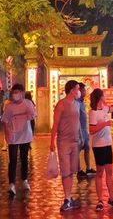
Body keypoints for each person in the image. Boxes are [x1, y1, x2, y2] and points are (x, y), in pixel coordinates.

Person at [88, 88, 113, 212]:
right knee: (100, 173)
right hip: (98, 145)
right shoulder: (93, 112)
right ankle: (100, 200)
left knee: (109, 172)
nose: (105, 97)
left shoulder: (105, 109)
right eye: (104, 95)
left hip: (107, 144)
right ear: (100, 97)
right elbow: (92, 130)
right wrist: (105, 124)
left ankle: (112, 198)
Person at [50, 80, 82, 212]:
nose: (78, 91)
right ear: (71, 90)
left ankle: (69, 196)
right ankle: (67, 199)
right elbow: (55, 124)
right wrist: (52, 141)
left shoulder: (77, 104)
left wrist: (81, 138)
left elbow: (78, 122)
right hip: (64, 142)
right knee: (66, 171)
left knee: (72, 171)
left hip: (75, 142)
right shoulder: (61, 105)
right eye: (77, 88)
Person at [1, 83, 36, 195]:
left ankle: (24, 180)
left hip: (25, 135)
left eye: (17, 92)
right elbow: (5, 121)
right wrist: (7, 135)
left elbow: (33, 115)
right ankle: (11, 183)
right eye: (13, 92)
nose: (15, 94)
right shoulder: (9, 106)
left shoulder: (28, 103)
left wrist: (25, 115)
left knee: (24, 159)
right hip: (13, 135)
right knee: (13, 160)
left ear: (22, 93)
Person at [76, 82, 95, 178]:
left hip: (84, 130)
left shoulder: (82, 102)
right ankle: (79, 170)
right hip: (78, 131)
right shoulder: (76, 103)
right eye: (83, 90)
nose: (84, 92)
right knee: (78, 150)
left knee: (87, 149)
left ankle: (88, 168)